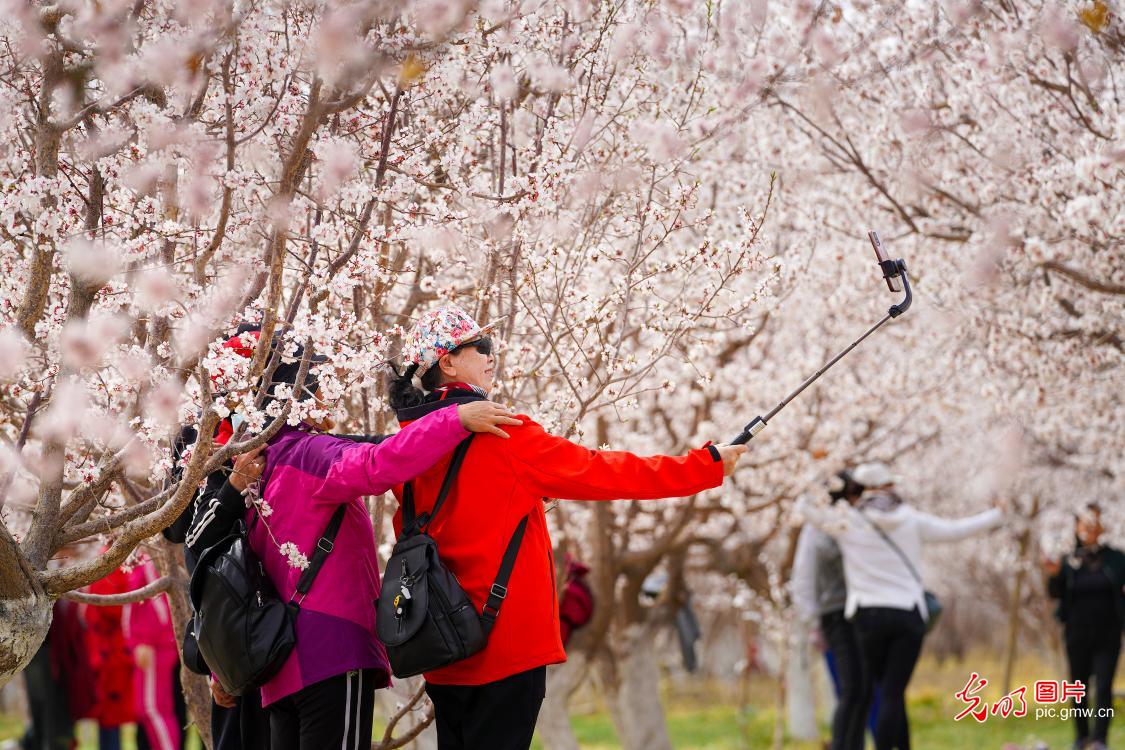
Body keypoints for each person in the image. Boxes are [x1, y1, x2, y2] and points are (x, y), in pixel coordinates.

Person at [385, 304, 747, 750]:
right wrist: (702, 466)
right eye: (482, 347)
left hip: (441, 641)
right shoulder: (501, 434)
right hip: (502, 642)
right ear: (448, 362)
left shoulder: (405, 445)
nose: (491, 355)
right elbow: (602, 472)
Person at [184, 333, 522, 750]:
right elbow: (381, 462)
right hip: (331, 648)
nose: (330, 399)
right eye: (322, 387)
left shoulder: (253, 469)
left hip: (278, 665)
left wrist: (222, 669)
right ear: (296, 394)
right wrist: (456, 420)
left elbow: (233, 578)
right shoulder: (309, 455)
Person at [795, 461, 1006, 750]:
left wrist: (822, 474)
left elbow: (805, 509)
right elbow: (956, 530)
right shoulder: (911, 519)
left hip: (866, 617)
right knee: (893, 694)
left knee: (867, 690)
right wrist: (996, 514)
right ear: (889, 486)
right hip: (907, 615)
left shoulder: (847, 521)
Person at [791, 469, 868, 750]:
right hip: (834, 615)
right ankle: (841, 745)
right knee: (851, 689)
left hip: (858, 612)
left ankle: (851, 745)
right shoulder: (817, 529)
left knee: (861, 689)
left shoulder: (852, 523)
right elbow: (804, 575)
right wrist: (812, 621)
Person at [1044, 502, 1124, 750]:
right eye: (1084, 522)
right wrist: (1053, 574)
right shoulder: (1068, 559)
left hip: (1108, 633)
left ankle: (1099, 740)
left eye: (1094, 521)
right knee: (1077, 687)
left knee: (1103, 687)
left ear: (1102, 525)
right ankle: (1081, 738)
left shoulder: (1117, 559)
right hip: (1076, 632)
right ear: (1076, 526)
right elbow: (1055, 593)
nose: (1089, 527)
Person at [122, 556, 183, 750]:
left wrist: (145, 639)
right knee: (146, 709)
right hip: (147, 645)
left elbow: (159, 603)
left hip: (153, 647)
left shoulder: (149, 559)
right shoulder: (138, 557)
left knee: (155, 708)